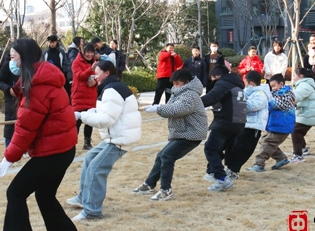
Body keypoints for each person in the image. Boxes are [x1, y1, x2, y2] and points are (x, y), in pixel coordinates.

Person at [0, 38, 83, 231]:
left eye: (13, 57)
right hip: (62, 149)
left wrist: (9, 156)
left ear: (24, 59)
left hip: (54, 152)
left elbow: (25, 128)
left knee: (15, 193)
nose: (10, 62)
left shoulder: (37, 87)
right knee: (44, 194)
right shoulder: (40, 79)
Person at [67, 59, 141, 220]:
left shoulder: (112, 90)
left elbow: (106, 119)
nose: (95, 75)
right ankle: (83, 198)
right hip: (116, 137)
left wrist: (81, 115)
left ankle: (92, 211)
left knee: (96, 168)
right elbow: (108, 111)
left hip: (120, 139)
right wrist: (91, 111)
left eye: (98, 72)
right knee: (90, 158)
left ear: (107, 73)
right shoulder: (111, 87)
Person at [133, 69, 207, 200]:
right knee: (161, 155)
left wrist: (157, 108)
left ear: (187, 82)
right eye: (174, 83)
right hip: (183, 133)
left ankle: (166, 190)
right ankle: (149, 184)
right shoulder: (179, 92)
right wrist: (158, 108)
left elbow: (178, 109)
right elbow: (172, 108)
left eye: (178, 83)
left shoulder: (190, 94)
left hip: (191, 134)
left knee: (167, 156)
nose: (175, 86)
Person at [201, 65, 247, 190]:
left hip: (226, 122)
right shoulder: (236, 84)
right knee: (218, 148)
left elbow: (211, 97)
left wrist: (190, 102)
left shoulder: (224, 83)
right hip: (238, 123)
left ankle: (221, 178)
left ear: (217, 76)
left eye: (212, 79)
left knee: (210, 148)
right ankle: (212, 172)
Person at [224, 70, 271, 179]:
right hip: (243, 125)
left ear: (251, 83)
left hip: (253, 127)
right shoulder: (247, 92)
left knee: (242, 149)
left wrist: (239, 102)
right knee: (233, 147)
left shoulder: (260, 93)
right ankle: (230, 168)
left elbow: (252, 106)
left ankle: (233, 170)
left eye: (245, 82)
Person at [247, 74, 295, 172]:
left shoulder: (287, 93)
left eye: (274, 86)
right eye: (271, 87)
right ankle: (281, 158)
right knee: (264, 140)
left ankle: (259, 164)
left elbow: (278, 104)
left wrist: (266, 99)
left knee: (268, 143)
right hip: (274, 124)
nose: (272, 89)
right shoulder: (276, 92)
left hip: (282, 125)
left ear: (281, 84)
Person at [289, 68, 315, 163]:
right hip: (306, 113)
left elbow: (295, 96)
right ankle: (302, 148)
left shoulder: (304, 85)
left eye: (294, 76)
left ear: (301, 76)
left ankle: (298, 155)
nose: (293, 78)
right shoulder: (304, 84)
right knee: (298, 131)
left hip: (308, 114)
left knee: (296, 132)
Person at [71, 43, 99, 150]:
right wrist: (90, 69)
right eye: (87, 52)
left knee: (89, 121)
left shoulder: (95, 63)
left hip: (91, 96)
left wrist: (95, 83)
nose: (89, 54)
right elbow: (80, 76)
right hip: (79, 96)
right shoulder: (76, 62)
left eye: (92, 52)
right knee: (76, 122)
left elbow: (99, 77)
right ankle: (72, 144)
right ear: (82, 51)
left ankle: (87, 142)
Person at [0, 53, 20, 147]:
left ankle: (26, 149)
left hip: (26, 99)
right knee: (10, 123)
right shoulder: (7, 65)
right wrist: (8, 89)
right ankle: (9, 147)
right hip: (11, 99)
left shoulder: (27, 65)